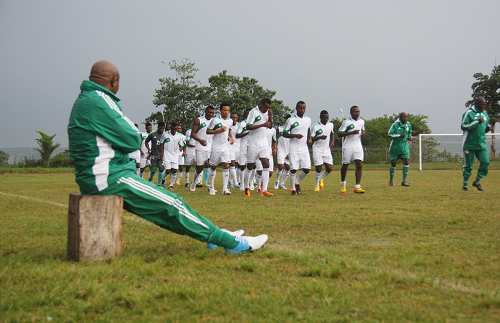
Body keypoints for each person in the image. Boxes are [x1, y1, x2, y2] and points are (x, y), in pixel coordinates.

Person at [68, 60, 268, 254]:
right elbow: (131, 138)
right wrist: (129, 141)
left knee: (165, 207)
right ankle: (230, 242)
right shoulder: (99, 100)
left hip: (100, 175)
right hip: (108, 176)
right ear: (115, 81)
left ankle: (216, 236)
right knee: (172, 205)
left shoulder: (87, 99)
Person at [243, 99, 274, 197]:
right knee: (250, 166)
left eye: (268, 108)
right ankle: (246, 187)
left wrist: (269, 118)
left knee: (266, 164)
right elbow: (248, 127)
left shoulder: (267, 113)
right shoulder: (254, 112)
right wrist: (262, 125)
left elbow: (270, 126)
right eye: (265, 108)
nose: (266, 110)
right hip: (253, 143)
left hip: (263, 142)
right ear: (261, 104)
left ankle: (264, 190)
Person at [461, 97, 491, 191]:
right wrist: (477, 122)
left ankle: (477, 181)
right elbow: (464, 126)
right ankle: (465, 185)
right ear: (476, 104)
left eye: (484, 104)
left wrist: (487, 129)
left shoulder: (485, 114)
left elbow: (483, 129)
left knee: (485, 162)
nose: (483, 106)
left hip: (481, 144)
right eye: (481, 104)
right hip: (469, 143)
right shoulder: (468, 113)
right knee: (468, 165)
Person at [283, 101, 312, 195]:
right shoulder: (291, 120)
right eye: (300, 108)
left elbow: (308, 130)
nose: (302, 110)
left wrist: (310, 138)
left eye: (304, 108)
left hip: (304, 147)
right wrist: (295, 135)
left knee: (307, 169)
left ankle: (297, 183)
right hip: (293, 148)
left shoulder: (308, 119)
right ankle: (292, 189)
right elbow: (284, 133)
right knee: (293, 169)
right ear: (296, 108)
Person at [206, 103, 235, 195]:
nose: (227, 112)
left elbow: (229, 129)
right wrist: (219, 130)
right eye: (225, 110)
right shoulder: (215, 120)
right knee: (213, 166)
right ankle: (211, 187)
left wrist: (231, 137)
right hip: (216, 147)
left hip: (225, 147)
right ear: (221, 110)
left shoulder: (230, 121)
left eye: (228, 110)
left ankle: (224, 189)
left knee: (226, 166)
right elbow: (208, 131)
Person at [338, 106, 365, 194]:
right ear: (351, 113)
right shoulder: (346, 122)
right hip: (348, 146)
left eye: (358, 111)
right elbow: (339, 133)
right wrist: (351, 132)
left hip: (358, 145)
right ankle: (343, 184)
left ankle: (357, 186)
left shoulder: (361, 121)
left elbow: (363, 130)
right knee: (345, 165)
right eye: (355, 112)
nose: (357, 113)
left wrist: (363, 133)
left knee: (359, 165)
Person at [189, 106, 215, 191]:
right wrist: (199, 140)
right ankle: (193, 182)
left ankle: (211, 186)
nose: (211, 114)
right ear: (205, 112)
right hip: (200, 147)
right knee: (199, 168)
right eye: (209, 112)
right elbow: (192, 134)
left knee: (212, 166)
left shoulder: (214, 121)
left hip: (210, 148)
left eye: (212, 113)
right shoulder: (199, 120)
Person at [311, 110, 335, 192]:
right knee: (318, 168)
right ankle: (316, 185)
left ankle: (321, 179)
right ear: (320, 117)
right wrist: (320, 137)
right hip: (317, 150)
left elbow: (332, 133)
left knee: (329, 168)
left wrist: (332, 141)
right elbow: (311, 138)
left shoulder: (330, 125)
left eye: (327, 117)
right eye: (324, 117)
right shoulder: (315, 127)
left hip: (326, 150)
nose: (326, 119)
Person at [387, 112, 412, 187]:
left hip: (404, 147)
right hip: (395, 147)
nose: (405, 119)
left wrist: (410, 137)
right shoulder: (395, 124)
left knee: (406, 162)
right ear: (400, 118)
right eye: (404, 117)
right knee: (393, 164)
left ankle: (404, 181)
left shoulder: (408, 124)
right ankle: (391, 180)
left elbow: (410, 132)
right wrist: (399, 135)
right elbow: (389, 134)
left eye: (406, 117)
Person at [159, 122, 182, 189]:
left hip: (175, 155)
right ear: (170, 128)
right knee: (168, 171)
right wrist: (162, 152)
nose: (174, 130)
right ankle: (163, 178)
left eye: (175, 129)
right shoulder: (165, 134)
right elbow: (161, 143)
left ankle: (171, 185)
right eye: (173, 129)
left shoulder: (179, 135)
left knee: (174, 170)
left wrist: (181, 147)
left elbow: (181, 144)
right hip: (167, 155)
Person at [236, 108, 252, 191]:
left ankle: (250, 183)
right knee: (242, 166)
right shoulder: (242, 124)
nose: (249, 115)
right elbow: (237, 135)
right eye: (248, 113)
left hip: (252, 147)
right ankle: (241, 184)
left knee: (252, 166)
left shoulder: (255, 123)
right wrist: (247, 133)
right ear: (246, 114)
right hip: (243, 147)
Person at [274, 114, 291, 189]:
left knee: (287, 167)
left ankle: (282, 183)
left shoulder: (292, 130)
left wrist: (290, 152)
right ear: (285, 120)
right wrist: (275, 147)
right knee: (280, 166)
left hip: (289, 151)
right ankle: (277, 181)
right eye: (287, 119)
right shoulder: (279, 129)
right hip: (281, 150)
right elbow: (274, 138)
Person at [229, 112, 240, 188]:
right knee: (232, 163)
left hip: (238, 147)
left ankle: (230, 180)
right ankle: (236, 183)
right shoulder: (227, 124)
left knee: (236, 165)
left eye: (236, 118)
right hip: (230, 146)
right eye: (233, 117)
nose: (234, 119)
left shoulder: (239, 125)